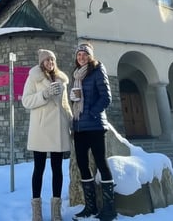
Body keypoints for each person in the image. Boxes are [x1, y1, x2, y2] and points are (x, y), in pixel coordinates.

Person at [22, 49, 73, 221]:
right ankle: (37, 211)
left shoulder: (61, 79)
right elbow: (26, 101)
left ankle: (56, 211)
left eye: (52, 60)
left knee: (57, 169)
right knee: (39, 169)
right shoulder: (34, 77)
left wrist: (70, 120)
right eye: (47, 60)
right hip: (41, 129)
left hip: (58, 129)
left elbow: (65, 104)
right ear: (41, 62)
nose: (50, 62)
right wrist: (44, 94)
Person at [70, 43, 117, 221]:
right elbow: (77, 99)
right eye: (79, 54)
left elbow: (106, 97)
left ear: (90, 56)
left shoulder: (97, 70)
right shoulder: (76, 75)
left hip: (96, 125)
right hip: (80, 127)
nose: (81, 57)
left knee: (101, 164)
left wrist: (90, 112)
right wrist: (73, 98)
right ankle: (90, 207)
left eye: (84, 54)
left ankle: (109, 209)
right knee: (83, 165)